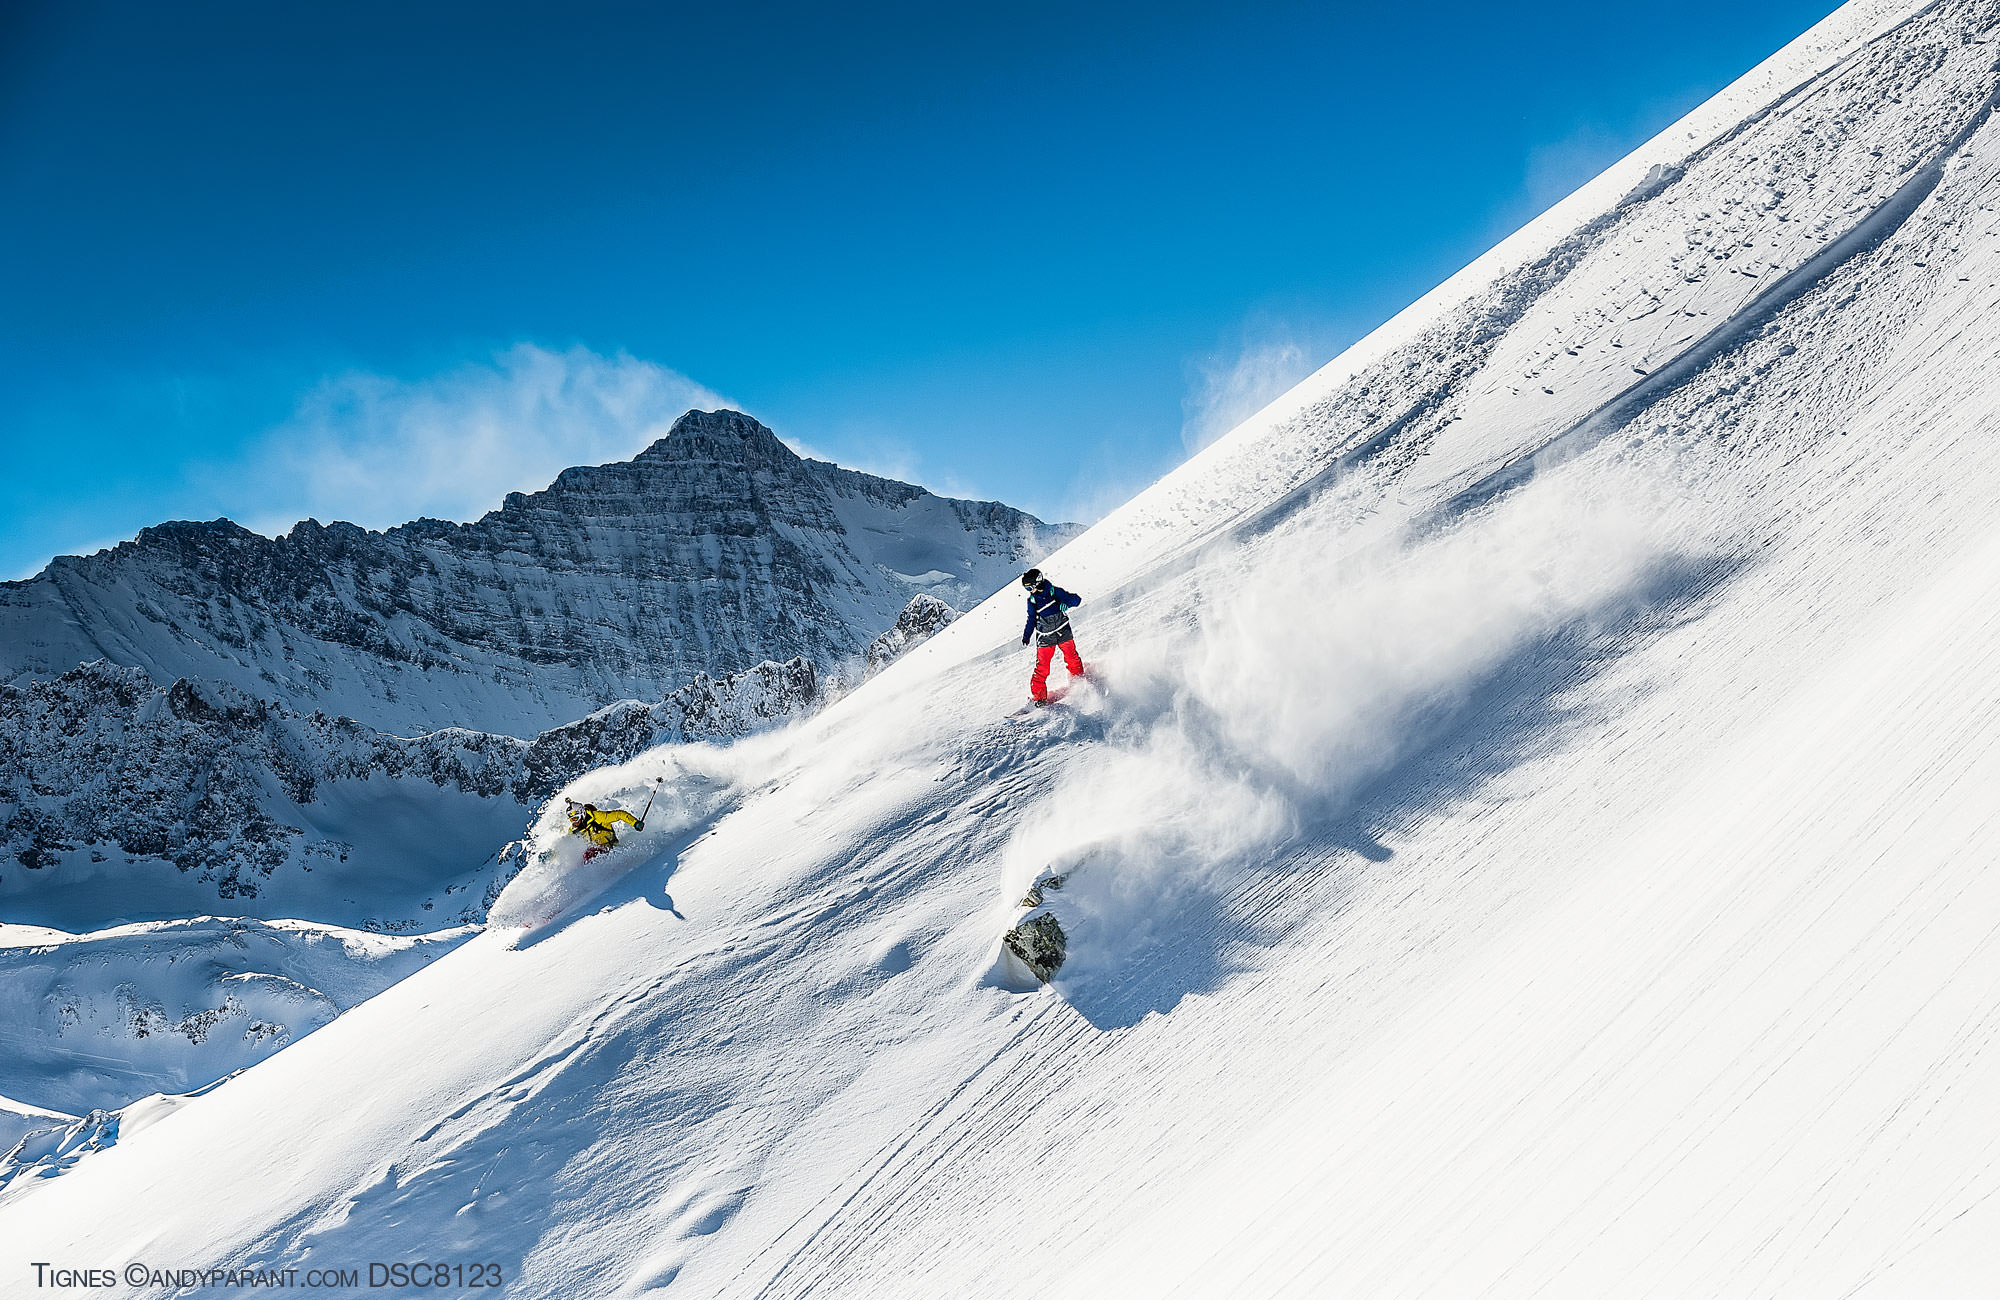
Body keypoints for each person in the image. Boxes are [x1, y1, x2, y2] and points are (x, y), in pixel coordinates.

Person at [1019, 568, 1086, 705]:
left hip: (1063, 630)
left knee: (1071, 656)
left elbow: (1076, 599)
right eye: (1026, 589)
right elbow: (1031, 619)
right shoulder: (1032, 600)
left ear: (1037, 582)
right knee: (1042, 667)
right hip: (1045, 636)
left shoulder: (1054, 592)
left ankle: (1078, 680)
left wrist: (1066, 603)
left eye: (1030, 587)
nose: (1029, 590)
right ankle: (1039, 697)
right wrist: (1027, 636)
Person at [565, 801, 641, 861]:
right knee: (581, 856)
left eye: (575, 819)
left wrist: (635, 823)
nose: (574, 822)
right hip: (596, 854)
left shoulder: (598, 817)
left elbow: (619, 814)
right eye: (571, 820)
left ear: (582, 813)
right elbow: (568, 843)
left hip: (612, 849)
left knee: (589, 854)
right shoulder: (575, 829)